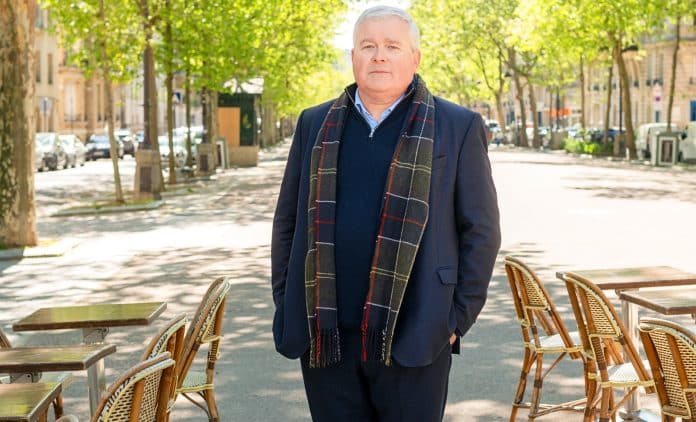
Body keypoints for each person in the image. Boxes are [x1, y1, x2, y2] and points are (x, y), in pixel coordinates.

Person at [271, 6, 500, 422]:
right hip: (326, 336)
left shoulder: (458, 125)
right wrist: (285, 299)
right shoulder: (313, 124)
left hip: (417, 332)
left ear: (415, 57)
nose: (379, 56)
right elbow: (287, 221)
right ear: (353, 57)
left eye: (392, 46)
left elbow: (481, 231)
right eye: (368, 46)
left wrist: (455, 320)